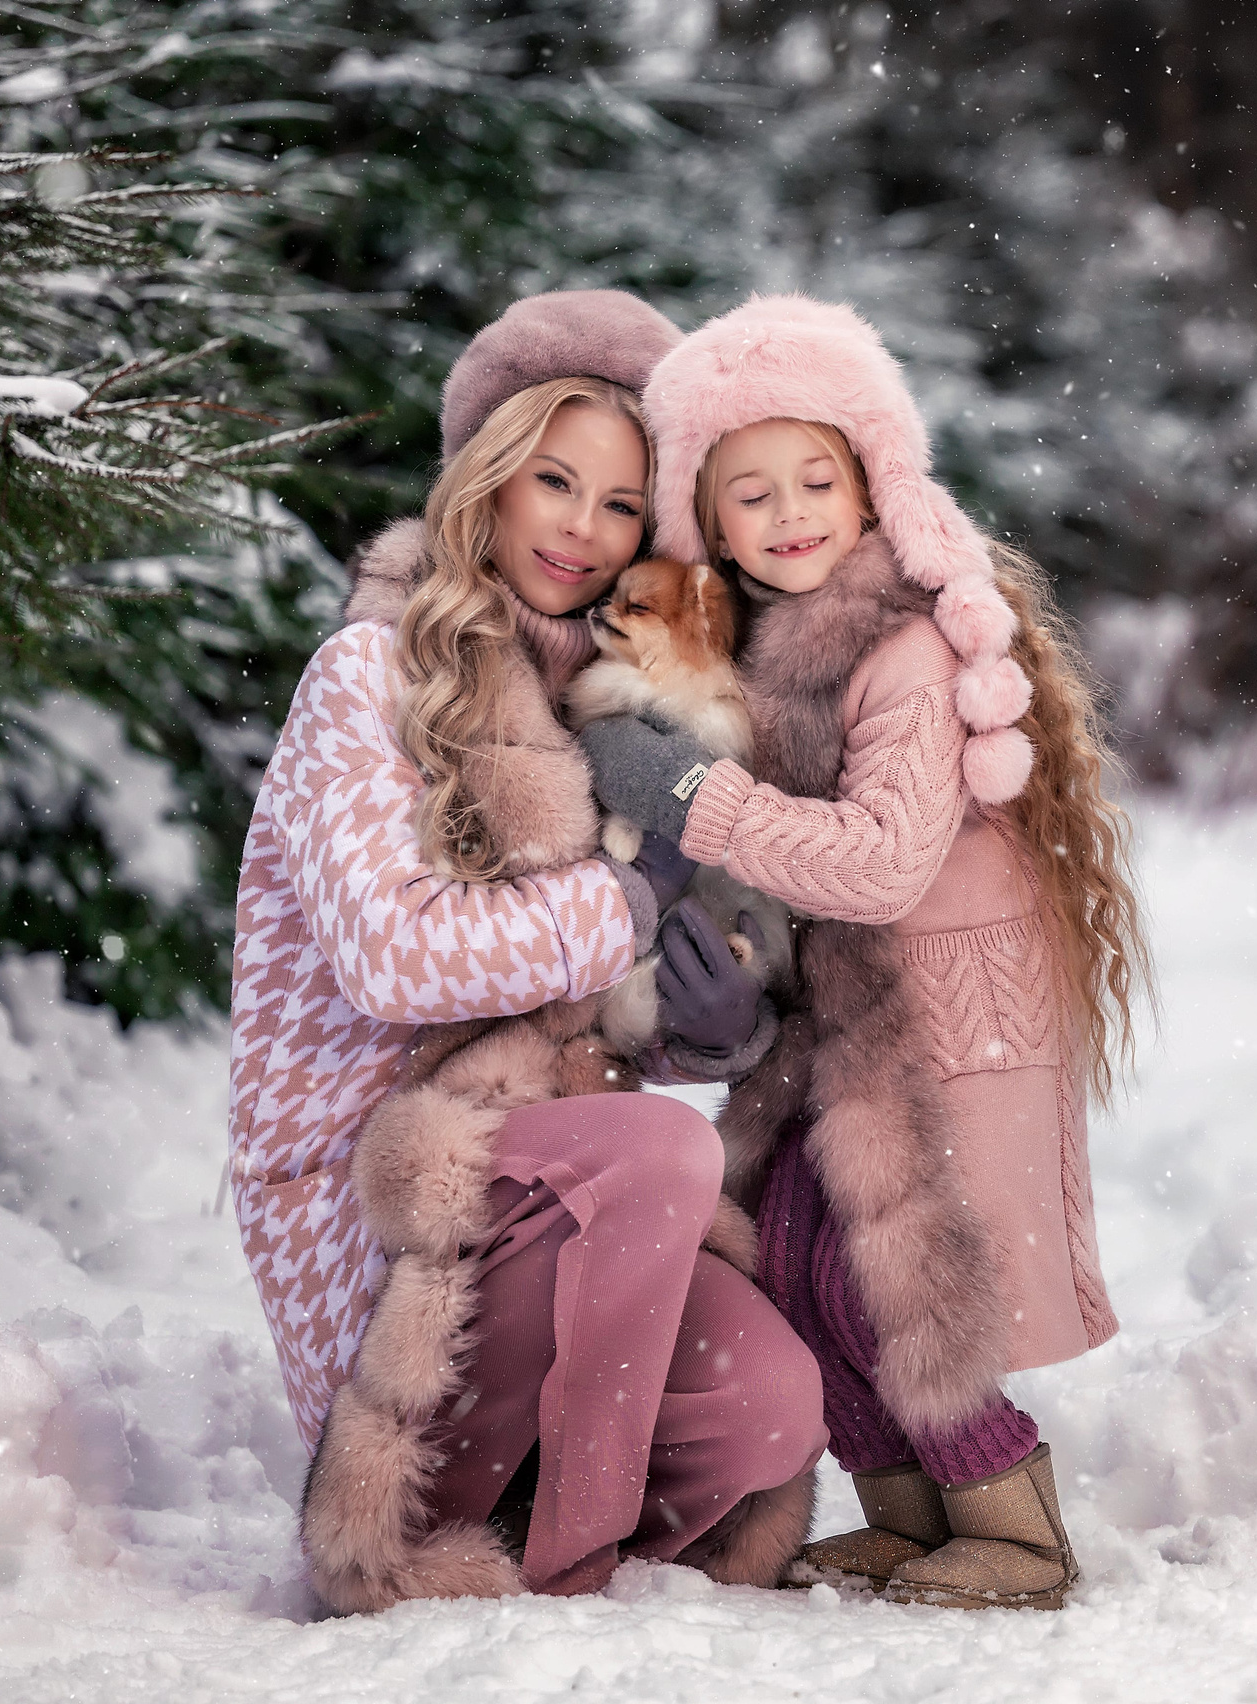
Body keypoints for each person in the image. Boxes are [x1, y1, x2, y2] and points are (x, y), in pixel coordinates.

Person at [226, 291, 823, 1613]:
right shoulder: (366, 676)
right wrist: (625, 898)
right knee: (661, 1151)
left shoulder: (599, 715)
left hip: (554, 1180)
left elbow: (571, 1004)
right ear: (488, 479)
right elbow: (395, 960)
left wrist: (697, 1030)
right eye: (554, 480)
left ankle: (549, 1488)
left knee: (770, 1409)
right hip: (383, 1194)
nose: (580, 528)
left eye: (619, 506)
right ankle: (569, 1567)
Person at [579, 295, 1151, 1611]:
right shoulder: (769, 653)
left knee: (888, 1266)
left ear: (874, 477)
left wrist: (691, 798)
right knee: (793, 1250)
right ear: (705, 524)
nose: (789, 512)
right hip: (843, 1020)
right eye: (750, 494)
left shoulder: (899, 647)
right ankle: (902, 1509)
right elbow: (765, 868)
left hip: (942, 1009)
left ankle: (1008, 1516)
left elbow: (883, 863)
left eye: (817, 478)